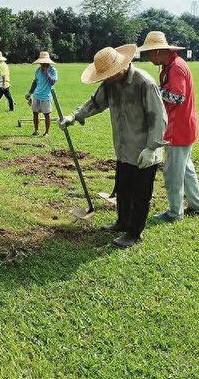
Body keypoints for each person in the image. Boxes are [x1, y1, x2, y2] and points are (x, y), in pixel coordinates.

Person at [59, 45, 167, 248]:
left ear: (121, 68)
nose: (105, 79)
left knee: (140, 194)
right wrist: (74, 116)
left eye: (108, 74)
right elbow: (95, 103)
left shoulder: (144, 83)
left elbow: (159, 118)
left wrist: (152, 147)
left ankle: (134, 233)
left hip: (145, 151)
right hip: (124, 148)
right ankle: (122, 222)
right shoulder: (111, 84)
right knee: (123, 189)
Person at [139, 31, 199, 221]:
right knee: (185, 168)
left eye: (150, 53)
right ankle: (197, 205)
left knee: (173, 173)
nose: (149, 57)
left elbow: (177, 97)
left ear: (160, 51)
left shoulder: (176, 68)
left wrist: (154, 91)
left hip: (179, 129)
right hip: (184, 126)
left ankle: (175, 213)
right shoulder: (171, 66)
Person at [25, 51, 58, 136]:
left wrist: (47, 72)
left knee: (46, 114)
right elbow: (35, 82)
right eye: (41, 62)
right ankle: (36, 130)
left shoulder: (53, 70)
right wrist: (30, 93)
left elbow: (52, 82)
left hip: (46, 97)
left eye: (44, 62)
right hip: (36, 95)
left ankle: (46, 132)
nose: (42, 64)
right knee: (35, 113)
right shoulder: (38, 70)